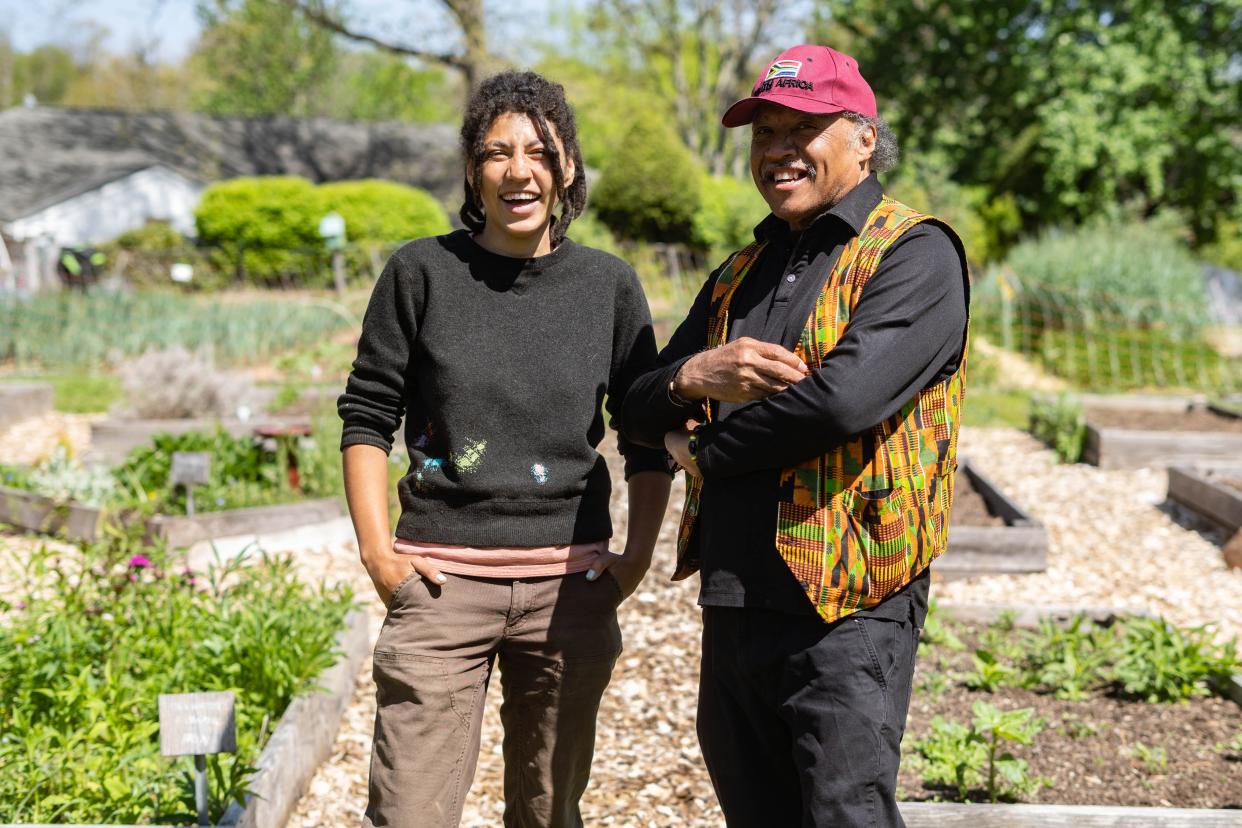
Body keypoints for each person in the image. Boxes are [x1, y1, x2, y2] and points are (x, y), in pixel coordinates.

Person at [620, 44, 969, 827]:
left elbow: (839, 403)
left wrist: (703, 452)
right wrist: (693, 377)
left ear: (864, 137)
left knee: (845, 813)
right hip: (736, 597)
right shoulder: (740, 272)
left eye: (802, 127)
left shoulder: (914, 252)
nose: (779, 149)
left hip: (850, 606)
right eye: (763, 132)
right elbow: (635, 402)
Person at [338, 70, 672, 828]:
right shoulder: (421, 274)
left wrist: (639, 556)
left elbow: (645, 428)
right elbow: (366, 415)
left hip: (569, 593)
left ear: (568, 169)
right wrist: (376, 554)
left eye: (538, 152)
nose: (518, 171)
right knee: (408, 813)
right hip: (440, 590)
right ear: (472, 170)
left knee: (549, 813)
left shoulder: (609, 287)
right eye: (496, 152)